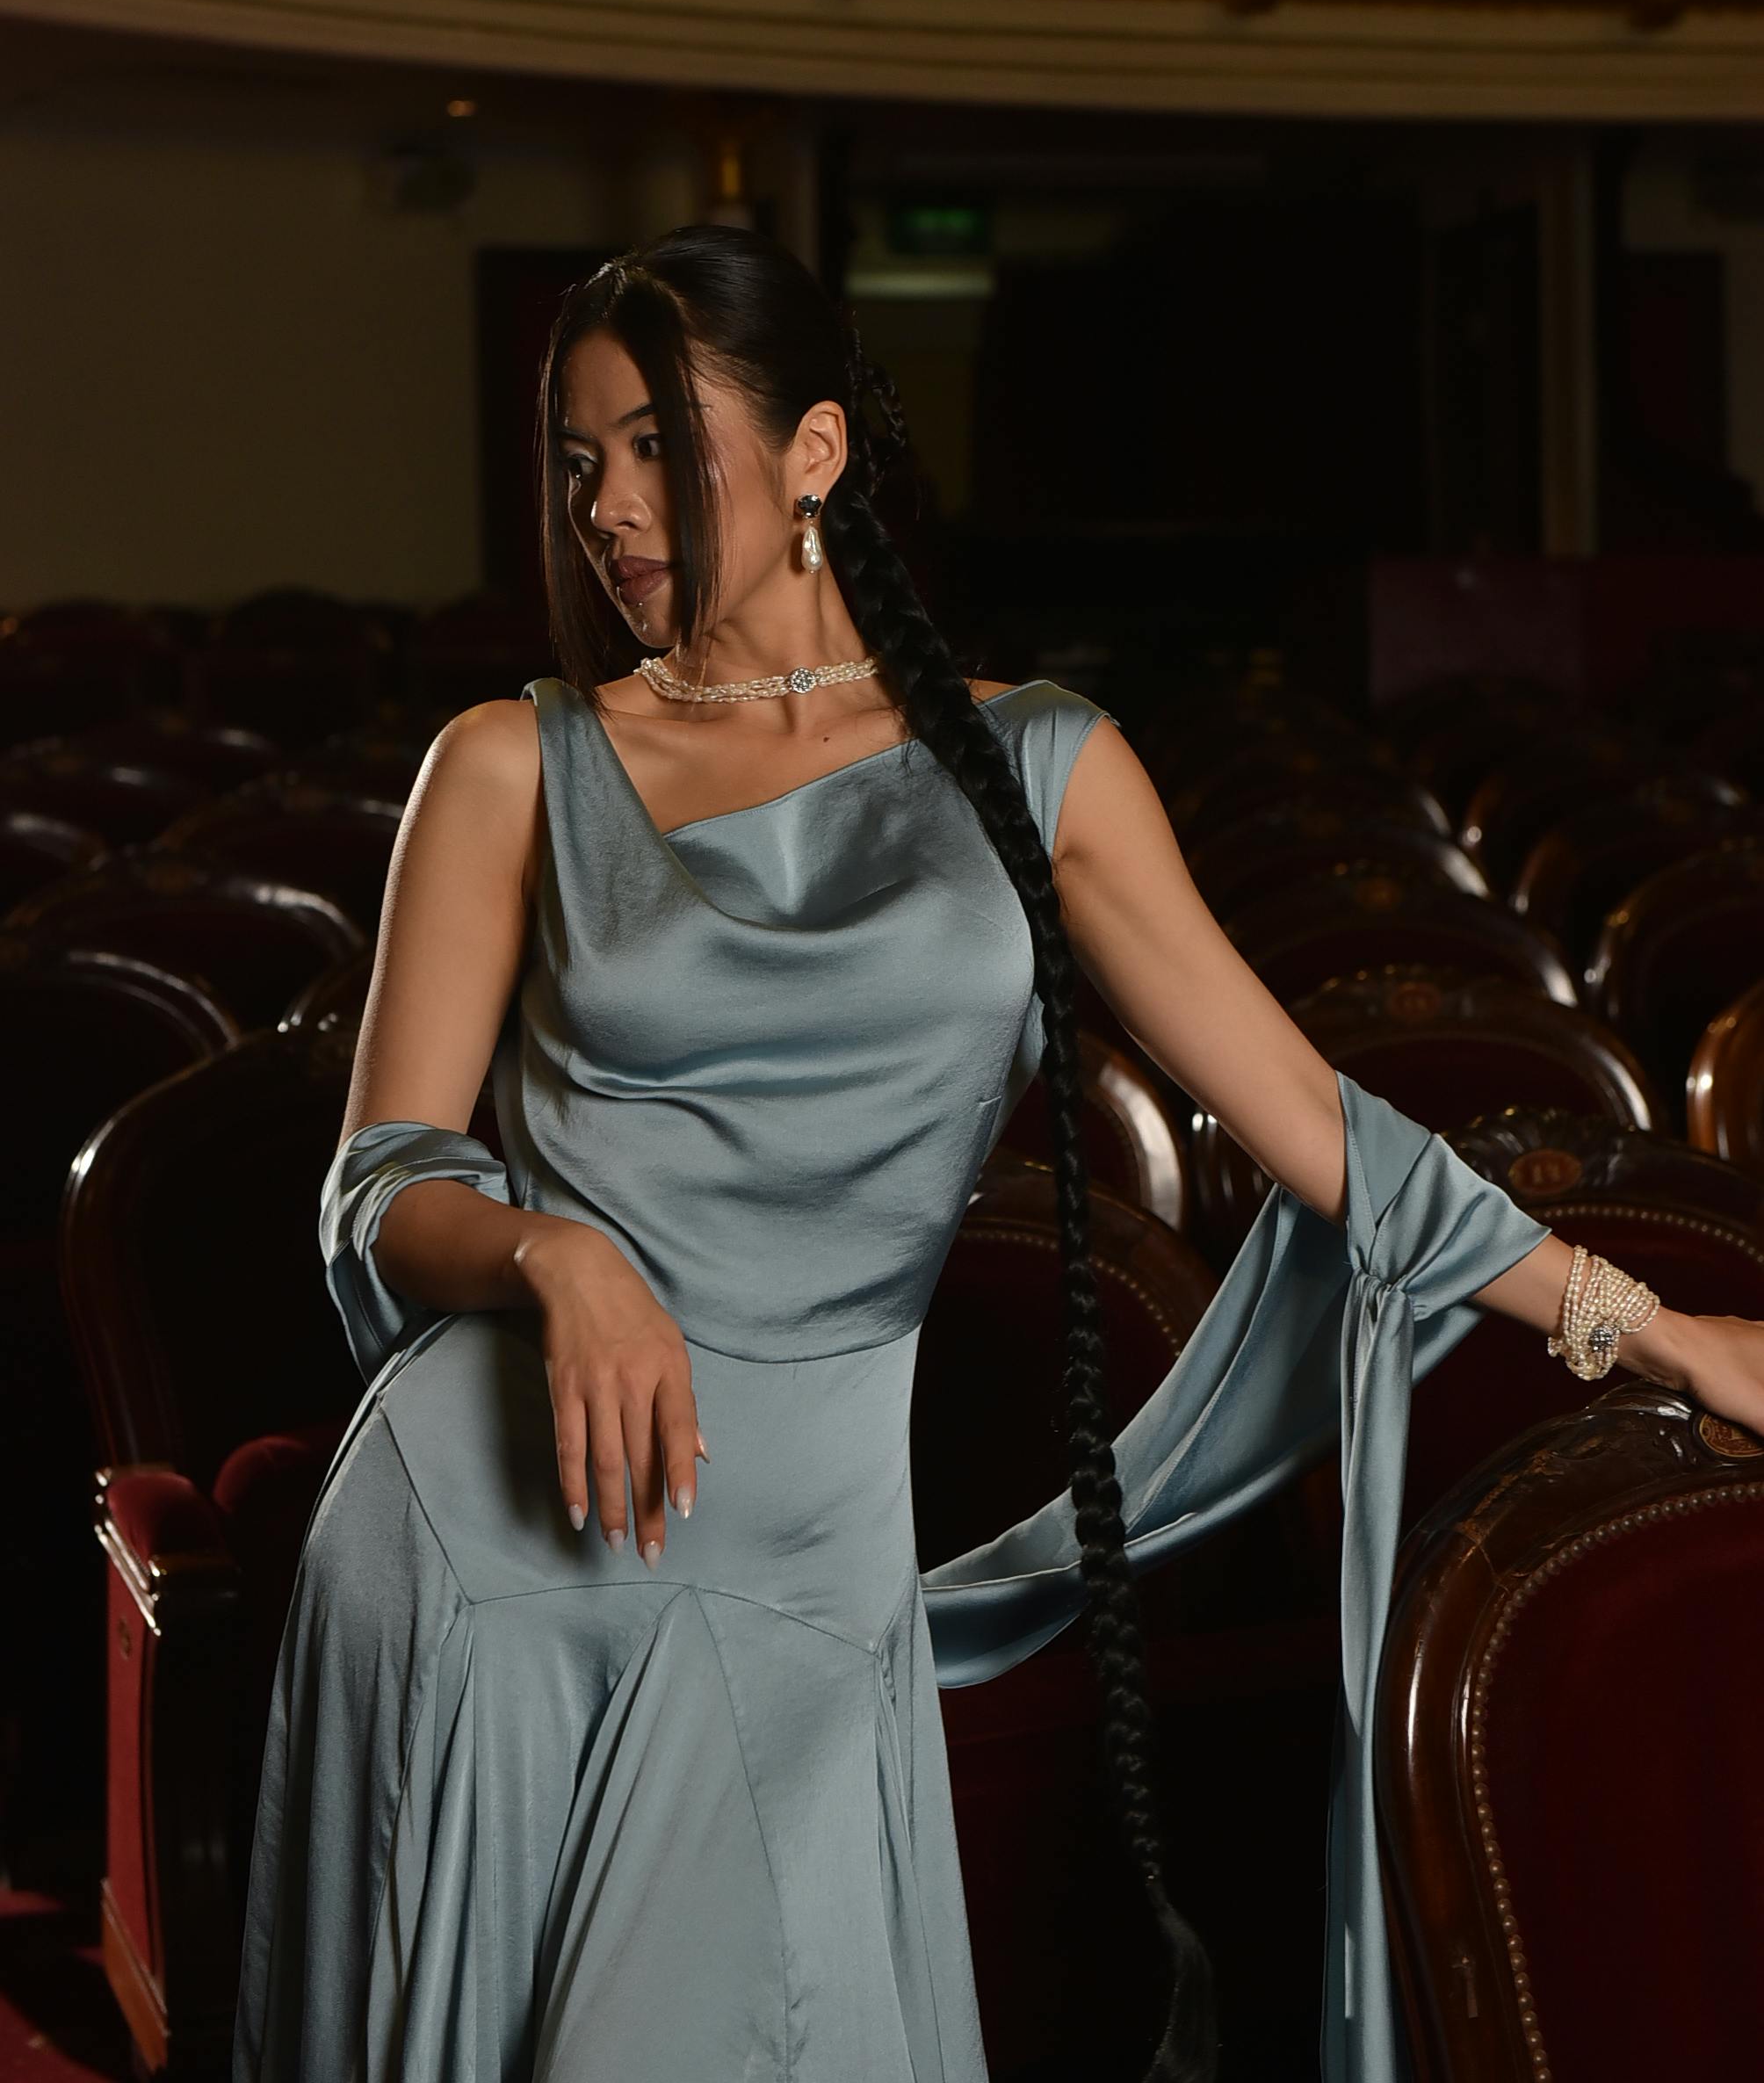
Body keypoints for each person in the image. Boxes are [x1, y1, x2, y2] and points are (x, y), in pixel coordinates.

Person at [233, 224, 1764, 2083]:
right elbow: (377, 1180)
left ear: (811, 454)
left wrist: (1651, 1323)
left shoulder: (1035, 767)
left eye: (652, 444)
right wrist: (555, 1254)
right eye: (574, 461)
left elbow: (1317, 1131)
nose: (606, 508)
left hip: (804, 1566)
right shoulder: (504, 761)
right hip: (487, 1544)